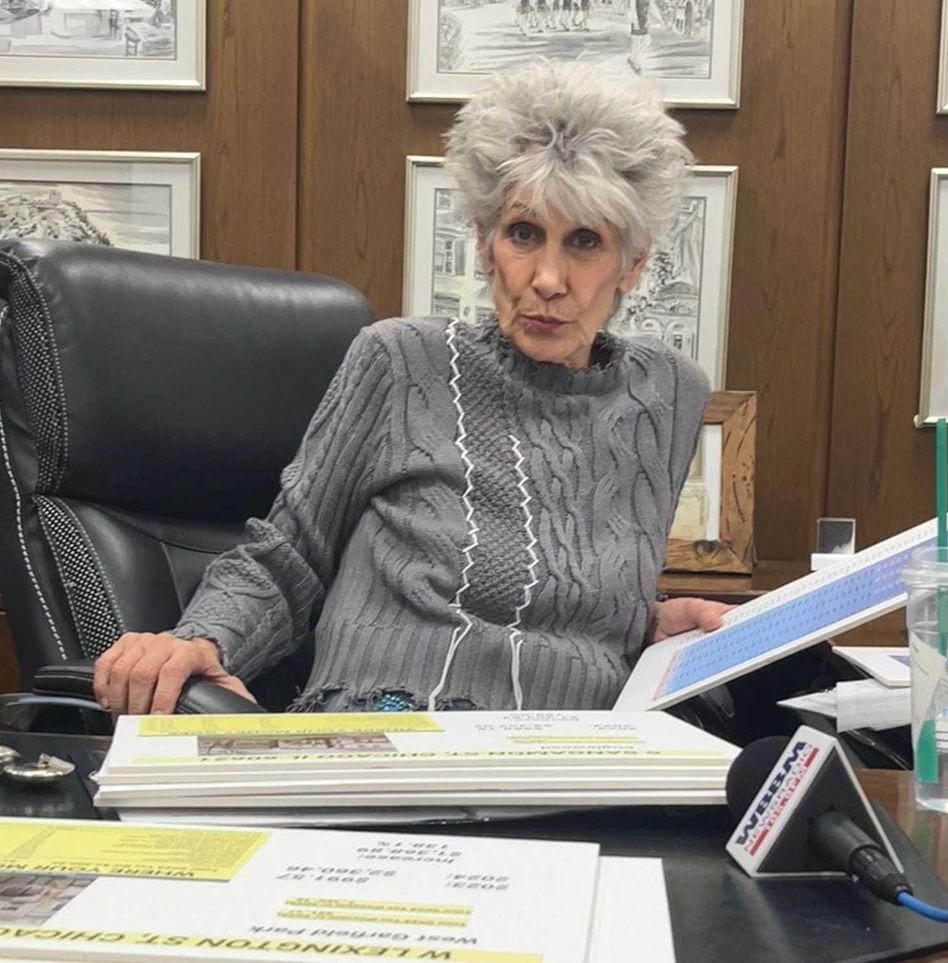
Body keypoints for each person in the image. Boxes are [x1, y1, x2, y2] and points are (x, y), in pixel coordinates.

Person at [93, 59, 730, 718]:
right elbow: (288, 560)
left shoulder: (669, 393)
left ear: (634, 263)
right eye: (523, 233)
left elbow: (553, 576)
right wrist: (202, 638)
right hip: (387, 732)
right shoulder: (403, 361)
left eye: (585, 242)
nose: (547, 276)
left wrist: (639, 624)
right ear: (485, 244)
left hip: (571, 756)